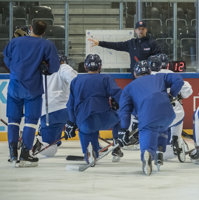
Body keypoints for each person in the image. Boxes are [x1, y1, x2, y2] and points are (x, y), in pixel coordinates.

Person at [3, 20, 60, 167]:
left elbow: (6, 57)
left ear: (30, 28)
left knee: (13, 120)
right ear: (44, 32)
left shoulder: (15, 42)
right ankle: (25, 154)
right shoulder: (47, 45)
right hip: (32, 87)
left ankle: (12, 154)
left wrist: (15, 70)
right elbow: (54, 67)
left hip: (14, 86)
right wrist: (45, 69)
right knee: (31, 121)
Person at [117, 60, 184, 176]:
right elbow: (179, 80)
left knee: (148, 131)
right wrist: (172, 95)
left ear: (135, 74)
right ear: (149, 71)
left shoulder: (128, 88)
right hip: (168, 114)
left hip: (147, 117)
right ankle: (160, 151)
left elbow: (124, 111)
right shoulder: (159, 77)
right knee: (162, 127)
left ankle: (147, 154)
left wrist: (123, 130)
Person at [65, 54, 122, 165]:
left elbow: (70, 105)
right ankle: (116, 145)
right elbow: (119, 95)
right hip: (104, 119)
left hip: (84, 121)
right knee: (119, 119)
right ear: (100, 67)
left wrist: (71, 122)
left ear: (85, 67)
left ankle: (89, 153)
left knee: (86, 130)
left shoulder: (76, 81)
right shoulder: (106, 78)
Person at [148, 54, 193, 164]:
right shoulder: (172, 74)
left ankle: (158, 149)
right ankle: (176, 138)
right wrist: (175, 95)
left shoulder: (147, 78)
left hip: (154, 116)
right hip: (174, 113)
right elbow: (188, 90)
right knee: (178, 115)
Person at [32, 55, 78, 157]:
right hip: (65, 110)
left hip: (47, 113)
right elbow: (77, 81)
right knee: (87, 119)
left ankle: (39, 143)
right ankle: (94, 144)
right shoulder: (63, 68)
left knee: (50, 148)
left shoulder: (39, 71)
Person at [88, 20, 161, 74]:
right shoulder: (131, 43)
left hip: (148, 76)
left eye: (143, 29)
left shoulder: (152, 43)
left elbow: (158, 58)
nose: (141, 31)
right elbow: (116, 45)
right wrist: (100, 43)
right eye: (139, 29)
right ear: (135, 30)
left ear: (146, 30)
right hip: (135, 76)